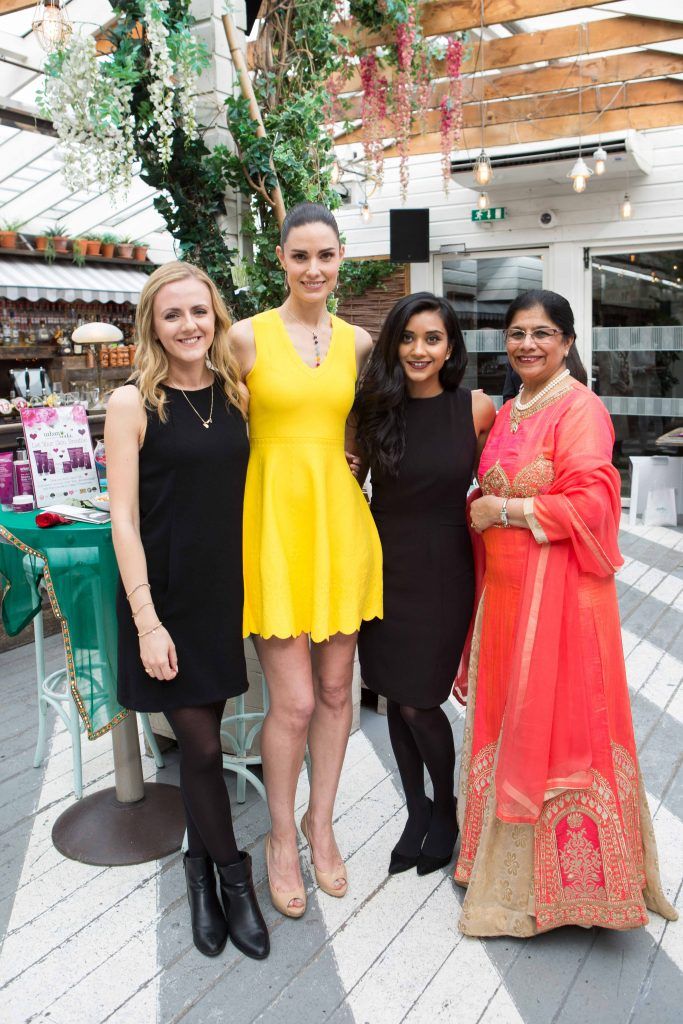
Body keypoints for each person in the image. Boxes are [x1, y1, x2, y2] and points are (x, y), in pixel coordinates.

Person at [455, 288, 677, 936]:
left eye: (542, 333)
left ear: (567, 342)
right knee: (509, 722)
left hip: (561, 610)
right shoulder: (508, 411)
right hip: (502, 604)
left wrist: (503, 511)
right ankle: (500, 873)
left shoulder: (580, 410)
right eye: (517, 333)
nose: (528, 344)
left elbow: (594, 506)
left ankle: (575, 892)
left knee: (561, 730)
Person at [106, 262, 269, 960]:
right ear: (152, 325)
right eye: (171, 315)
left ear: (216, 317)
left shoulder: (237, 395)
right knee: (200, 747)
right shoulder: (131, 402)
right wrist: (146, 622)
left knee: (208, 750)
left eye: (198, 311)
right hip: (163, 599)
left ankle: (199, 871)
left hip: (220, 598)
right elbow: (121, 518)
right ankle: (233, 880)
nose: (188, 326)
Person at [228, 203, 383, 918]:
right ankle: (280, 837)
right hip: (271, 532)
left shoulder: (358, 344)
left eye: (325, 256)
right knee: (289, 700)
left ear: (340, 258)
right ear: (281, 261)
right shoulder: (243, 339)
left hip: (339, 529)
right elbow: (205, 428)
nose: (313, 269)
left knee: (332, 695)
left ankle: (322, 827)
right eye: (299, 256)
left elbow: (366, 426)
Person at [353, 293, 495, 876]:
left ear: (450, 347)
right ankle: (416, 811)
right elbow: (345, 483)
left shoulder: (478, 408)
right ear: (393, 344)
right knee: (393, 695)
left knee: (420, 700)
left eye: (432, 338)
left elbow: (498, 481)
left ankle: (447, 809)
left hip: (443, 569)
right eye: (408, 337)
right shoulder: (371, 411)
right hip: (379, 567)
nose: (419, 349)